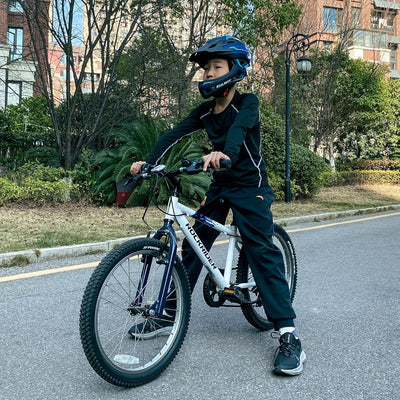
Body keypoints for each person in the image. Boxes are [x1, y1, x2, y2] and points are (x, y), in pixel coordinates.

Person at [129, 36, 306, 376]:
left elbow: (238, 134)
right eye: (206, 68)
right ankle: (168, 313)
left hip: (250, 187)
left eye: (216, 67)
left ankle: (288, 334)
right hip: (221, 186)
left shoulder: (248, 102)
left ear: (234, 71)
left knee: (261, 251)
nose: (208, 73)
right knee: (193, 246)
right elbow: (173, 135)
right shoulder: (206, 112)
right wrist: (147, 162)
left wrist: (224, 154)